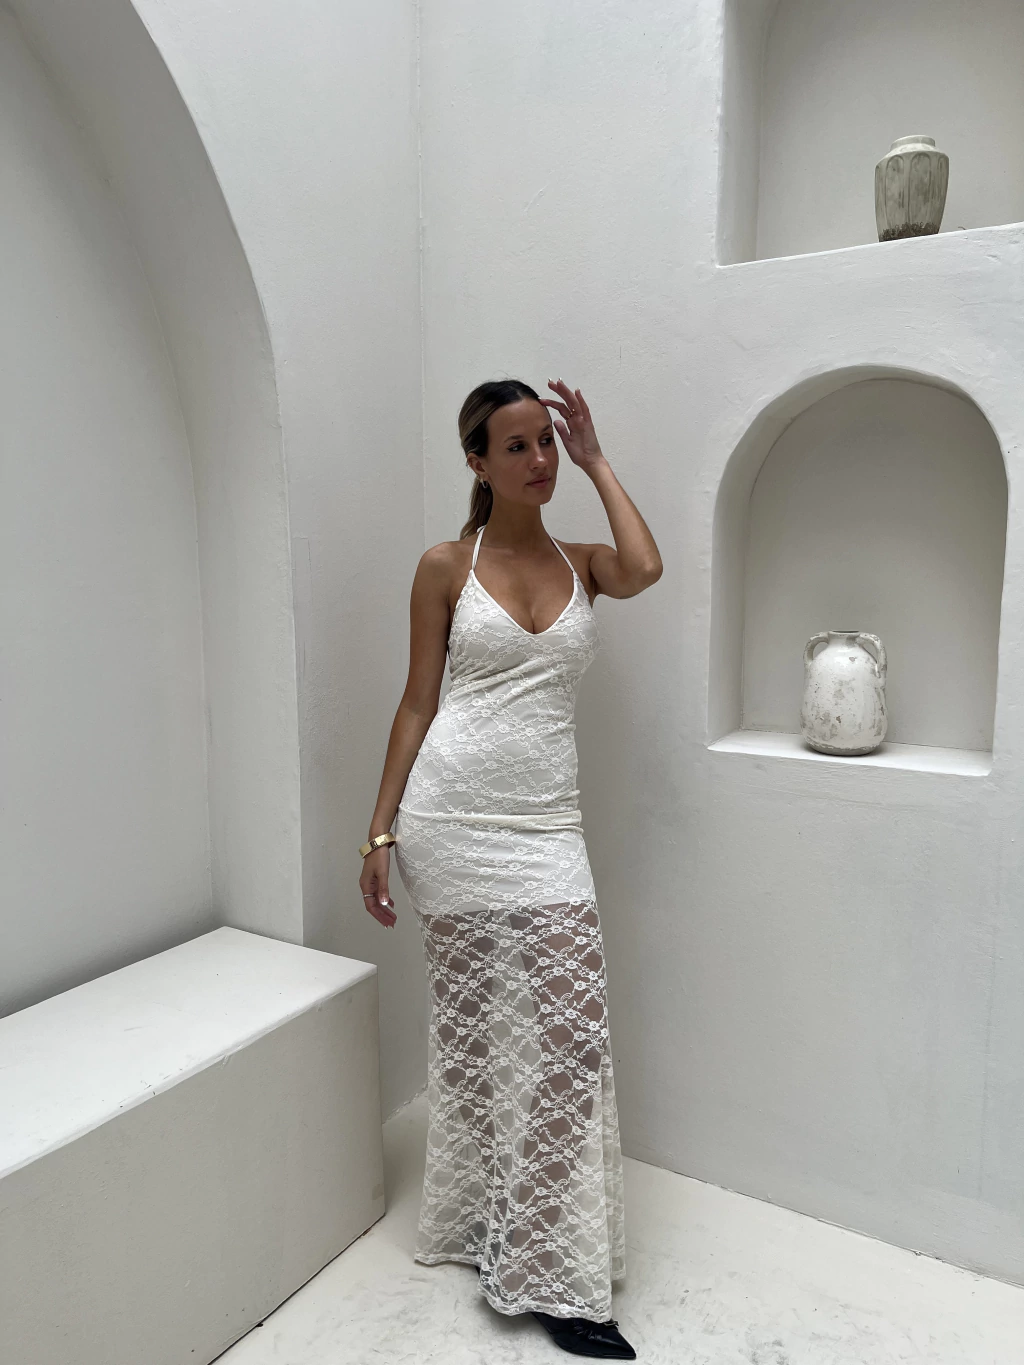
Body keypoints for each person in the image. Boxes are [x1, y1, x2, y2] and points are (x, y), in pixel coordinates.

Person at [359, 377, 662, 1359]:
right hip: (449, 819)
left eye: (546, 443)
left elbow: (646, 567)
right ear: (478, 462)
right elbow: (417, 701)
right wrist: (379, 832)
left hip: (546, 827)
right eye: (518, 445)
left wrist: (597, 459)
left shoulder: (583, 564)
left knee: (570, 1037)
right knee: (479, 1042)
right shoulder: (445, 565)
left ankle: (535, 1248)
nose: (538, 461)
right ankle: (489, 1229)